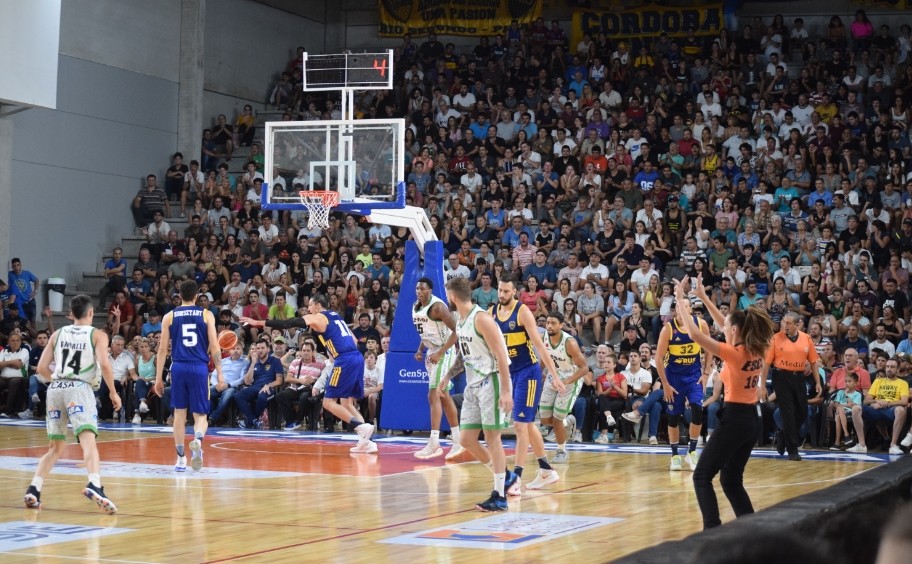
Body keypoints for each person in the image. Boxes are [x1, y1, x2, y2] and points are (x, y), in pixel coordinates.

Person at [674, 275, 776, 529]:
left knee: (701, 476)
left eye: (727, 327)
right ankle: (752, 530)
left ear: (734, 331)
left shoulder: (734, 352)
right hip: (751, 421)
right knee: (731, 480)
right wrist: (705, 297)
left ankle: (712, 531)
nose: (722, 328)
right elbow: (727, 326)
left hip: (735, 420)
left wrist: (680, 303)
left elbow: (697, 336)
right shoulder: (756, 347)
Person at [241, 294, 377, 453]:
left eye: (310, 307)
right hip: (357, 358)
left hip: (345, 360)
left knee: (328, 403)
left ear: (318, 306)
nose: (308, 310)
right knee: (346, 403)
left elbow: (288, 323)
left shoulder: (319, 317)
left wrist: (258, 322)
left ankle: (360, 427)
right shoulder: (337, 316)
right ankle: (367, 442)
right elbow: (354, 341)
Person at [24, 294, 122, 513]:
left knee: (55, 448)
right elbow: (105, 365)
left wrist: (59, 381)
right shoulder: (98, 335)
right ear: (90, 313)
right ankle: (95, 484)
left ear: (71, 314)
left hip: (55, 389)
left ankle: (34, 489)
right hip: (79, 388)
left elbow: (41, 368)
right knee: (88, 441)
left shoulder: (57, 334)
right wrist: (114, 393)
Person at [437, 276, 515, 512]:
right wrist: (449, 375)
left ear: (452, 296)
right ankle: (505, 476)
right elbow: (464, 354)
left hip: (491, 381)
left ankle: (499, 496)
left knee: (492, 439)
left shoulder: (482, 319)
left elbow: (502, 356)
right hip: (472, 384)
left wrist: (506, 391)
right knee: (466, 439)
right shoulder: (461, 320)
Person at [492, 273, 564, 496]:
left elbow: (541, 348)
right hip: (509, 373)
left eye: (506, 291)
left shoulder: (522, 311)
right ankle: (546, 470)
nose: (502, 294)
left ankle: (516, 478)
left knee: (520, 426)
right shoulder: (492, 312)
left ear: (514, 292)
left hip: (528, 372)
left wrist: (554, 375)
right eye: (500, 290)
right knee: (528, 425)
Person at [154, 280, 223, 472]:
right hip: (199, 368)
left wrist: (158, 378)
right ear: (196, 296)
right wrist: (221, 374)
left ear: (179, 295)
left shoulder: (169, 316)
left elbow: (162, 349)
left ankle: (180, 459)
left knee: (179, 413)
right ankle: (198, 440)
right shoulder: (206, 314)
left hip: (178, 367)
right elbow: (215, 346)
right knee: (201, 414)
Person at [655, 297, 713, 471]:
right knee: (673, 418)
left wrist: (706, 373)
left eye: (686, 306)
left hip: (694, 376)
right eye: (679, 307)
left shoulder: (701, 324)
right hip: (673, 378)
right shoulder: (668, 329)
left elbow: (710, 348)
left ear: (690, 309)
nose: (682, 309)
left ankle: (692, 451)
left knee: (697, 409)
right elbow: (658, 358)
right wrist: (664, 383)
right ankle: (674, 455)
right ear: (675, 310)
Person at [412, 277, 464, 460]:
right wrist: (420, 349)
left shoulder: (438, 307)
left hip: (444, 351)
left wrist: (441, 352)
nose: (419, 291)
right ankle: (458, 440)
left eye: (423, 289)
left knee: (433, 394)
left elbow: (458, 331)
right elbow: (425, 331)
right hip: (432, 351)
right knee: (443, 396)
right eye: (417, 288)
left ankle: (434, 442)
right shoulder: (416, 307)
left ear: (430, 290)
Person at [761, 311, 821, 461]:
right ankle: (792, 450)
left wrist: (818, 382)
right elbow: (766, 364)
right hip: (781, 376)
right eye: (783, 322)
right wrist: (762, 385)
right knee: (787, 412)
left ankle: (782, 434)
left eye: (788, 323)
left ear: (797, 324)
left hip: (798, 376)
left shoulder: (806, 338)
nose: (785, 326)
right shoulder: (776, 338)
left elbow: (813, 362)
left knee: (802, 411)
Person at [540, 312, 589, 467]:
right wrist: (539, 373)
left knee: (556, 420)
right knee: (544, 419)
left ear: (561, 325)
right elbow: (544, 357)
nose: (549, 326)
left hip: (571, 378)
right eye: (548, 322)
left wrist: (566, 381)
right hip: (553, 376)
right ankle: (569, 421)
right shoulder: (544, 337)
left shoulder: (570, 343)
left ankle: (561, 451)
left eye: (553, 323)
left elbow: (584, 368)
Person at [847, 358, 908, 455]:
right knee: (855, 408)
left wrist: (887, 403)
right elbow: (867, 400)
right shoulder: (878, 381)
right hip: (876, 409)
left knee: (901, 409)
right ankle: (861, 445)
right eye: (887, 366)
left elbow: (904, 401)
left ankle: (893, 445)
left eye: (892, 367)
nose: (889, 369)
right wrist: (877, 401)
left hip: (891, 410)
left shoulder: (902, 383)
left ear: (897, 369)